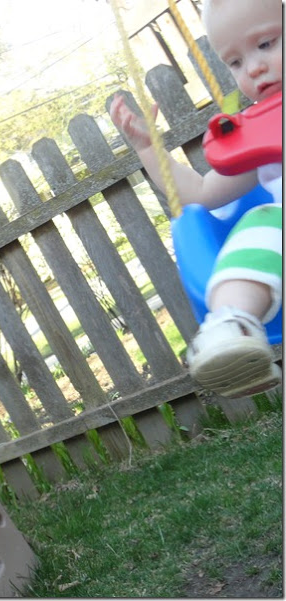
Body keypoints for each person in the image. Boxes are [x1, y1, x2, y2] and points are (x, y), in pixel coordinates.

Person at [109, 0, 282, 399]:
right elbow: (201, 194)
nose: (253, 68)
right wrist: (149, 148)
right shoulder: (257, 133)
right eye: (235, 62)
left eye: (266, 43)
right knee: (263, 221)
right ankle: (232, 326)